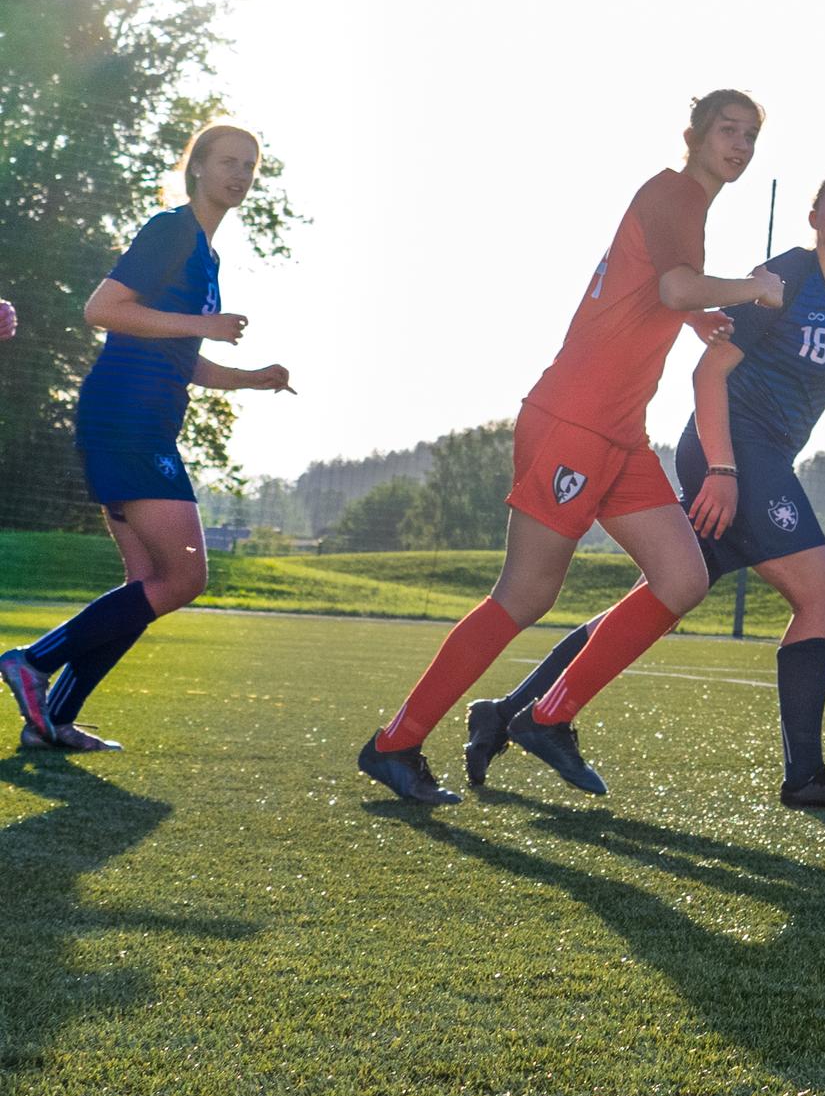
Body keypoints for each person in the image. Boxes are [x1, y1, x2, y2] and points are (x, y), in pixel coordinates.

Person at [471, 170, 825, 808]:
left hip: (761, 460)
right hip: (731, 452)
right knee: (822, 591)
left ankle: (513, 712)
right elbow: (707, 373)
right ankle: (804, 776)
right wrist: (722, 471)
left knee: (662, 596)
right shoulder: (785, 278)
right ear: (814, 216)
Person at [354, 93, 784, 806]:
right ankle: (396, 743)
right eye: (726, 133)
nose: (739, 146)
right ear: (694, 138)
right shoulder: (674, 190)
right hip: (574, 424)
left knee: (682, 579)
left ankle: (548, 718)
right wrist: (753, 290)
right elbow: (674, 284)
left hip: (620, 433)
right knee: (525, 595)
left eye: (750, 136)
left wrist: (699, 313)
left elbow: (654, 292)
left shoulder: (685, 206)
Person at [3, 125, 294, 752]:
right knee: (185, 578)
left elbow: (178, 354)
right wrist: (204, 324)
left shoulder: (206, 254)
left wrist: (249, 379)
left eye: (250, 165)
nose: (240, 174)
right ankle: (33, 660)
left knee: (144, 583)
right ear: (197, 169)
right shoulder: (170, 231)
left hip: (142, 419)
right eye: (227, 162)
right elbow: (102, 309)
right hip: (126, 419)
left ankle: (52, 719)